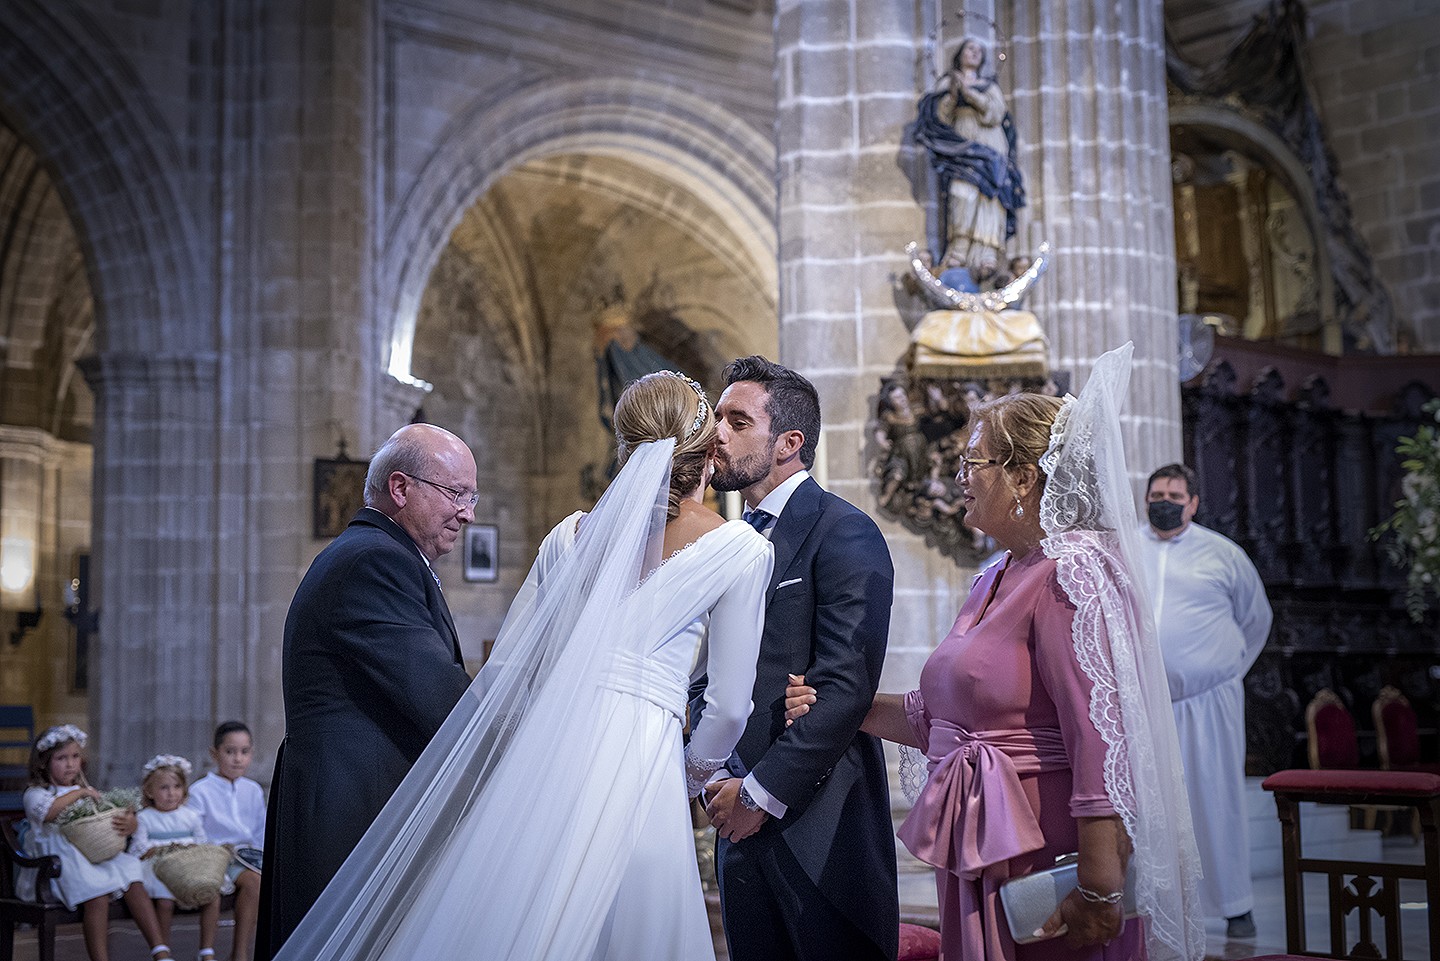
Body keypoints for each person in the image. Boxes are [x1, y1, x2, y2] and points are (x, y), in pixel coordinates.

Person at [268, 370, 772, 961]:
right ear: (705, 454)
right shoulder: (740, 548)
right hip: (641, 759)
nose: (465, 512)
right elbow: (730, 705)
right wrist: (689, 775)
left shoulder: (567, 537)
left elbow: (511, 668)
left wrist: (521, 762)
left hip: (551, 752)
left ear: (624, 448)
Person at [787, 345, 1205, 961]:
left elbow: (1103, 738)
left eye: (972, 462)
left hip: (1043, 844)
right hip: (983, 832)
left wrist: (1098, 886)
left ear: (1022, 477)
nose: (959, 476)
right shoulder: (995, 576)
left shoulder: (1072, 573)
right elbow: (938, 718)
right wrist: (839, 706)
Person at [699, 355, 899, 961]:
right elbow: (720, 672)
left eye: (737, 421)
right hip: (733, 816)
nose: (716, 434)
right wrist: (704, 767)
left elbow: (844, 689)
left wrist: (759, 794)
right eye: (716, 417)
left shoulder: (844, 532)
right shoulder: (732, 540)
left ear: (788, 443)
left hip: (816, 828)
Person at [256, 423, 477, 959]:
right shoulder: (373, 560)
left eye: (473, 497)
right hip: (352, 812)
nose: (468, 513)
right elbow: (441, 699)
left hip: (361, 802)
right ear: (401, 489)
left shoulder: (378, 553)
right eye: (456, 494)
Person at [1137, 463, 1273, 941]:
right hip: (1142, 705)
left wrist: (1222, 669)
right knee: (1145, 803)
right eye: (1157, 493)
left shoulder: (1223, 554)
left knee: (1216, 798)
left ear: (1193, 503)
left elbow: (1256, 620)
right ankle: (1150, 903)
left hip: (1209, 700)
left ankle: (1235, 905)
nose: (1165, 501)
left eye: (1175, 494)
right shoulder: (1125, 549)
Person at [20, 725, 175, 961]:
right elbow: (50, 813)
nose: (71, 764)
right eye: (61, 758)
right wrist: (81, 794)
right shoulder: (37, 794)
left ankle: (160, 950)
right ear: (43, 762)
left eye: (75, 757)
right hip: (57, 864)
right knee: (98, 895)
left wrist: (129, 822)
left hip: (90, 855)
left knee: (132, 873)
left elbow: (106, 815)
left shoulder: (86, 790)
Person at [912, 37, 1025, 275]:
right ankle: (958, 250)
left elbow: (996, 114)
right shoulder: (947, 83)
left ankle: (987, 253)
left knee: (990, 198)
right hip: (961, 148)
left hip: (991, 147)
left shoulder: (989, 85)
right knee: (962, 194)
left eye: (979, 50)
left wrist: (970, 94)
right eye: (969, 48)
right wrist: (954, 95)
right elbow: (939, 118)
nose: (974, 53)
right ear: (960, 53)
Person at [133, 755, 221, 961]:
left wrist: (190, 848)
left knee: (212, 895)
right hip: (160, 869)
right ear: (149, 791)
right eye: (164, 788)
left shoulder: (189, 815)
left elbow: (201, 840)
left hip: (189, 866)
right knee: (165, 900)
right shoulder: (145, 817)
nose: (171, 793)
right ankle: (163, 951)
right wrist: (164, 848)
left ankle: (206, 950)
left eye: (176, 786)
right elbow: (139, 848)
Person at [190, 722, 266, 961]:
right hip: (212, 857)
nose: (237, 759)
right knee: (247, 881)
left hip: (244, 858)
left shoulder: (252, 790)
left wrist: (257, 855)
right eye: (230, 751)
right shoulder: (200, 791)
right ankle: (209, 952)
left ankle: (240, 952)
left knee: (256, 880)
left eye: (244, 752)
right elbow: (195, 829)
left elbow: (259, 829)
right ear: (215, 753)